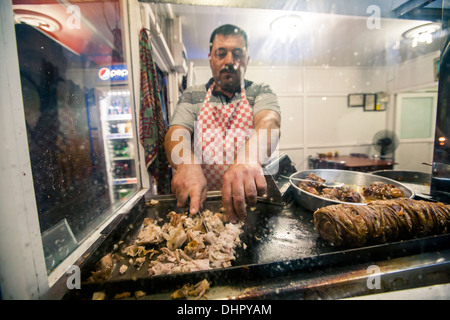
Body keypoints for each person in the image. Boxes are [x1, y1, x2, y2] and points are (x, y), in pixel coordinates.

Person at [164, 24, 281, 223]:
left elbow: (270, 122)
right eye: (221, 53)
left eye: (237, 54)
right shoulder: (193, 95)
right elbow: (176, 134)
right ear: (210, 58)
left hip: (251, 205)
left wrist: (250, 158)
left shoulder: (260, 91)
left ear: (247, 60)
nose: (229, 61)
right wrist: (186, 164)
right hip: (203, 207)